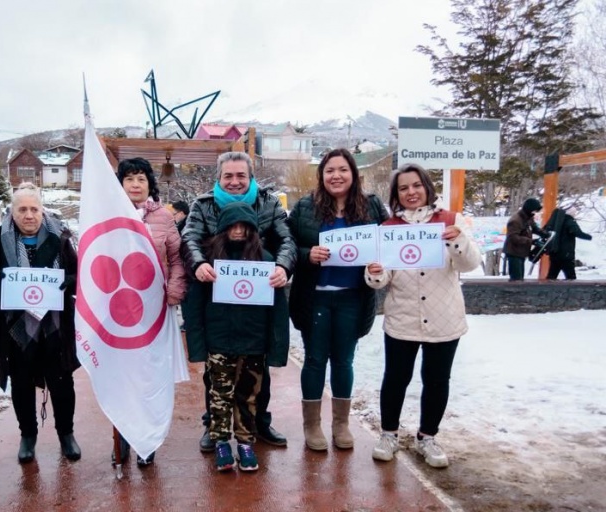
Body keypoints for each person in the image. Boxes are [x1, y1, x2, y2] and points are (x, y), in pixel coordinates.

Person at [365, 163, 481, 468]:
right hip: (402, 317)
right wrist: (375, 272)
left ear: (427, 187)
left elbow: (469, 264)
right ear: (396, 194)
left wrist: (457, 240)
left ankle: (427, 436)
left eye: (416, 185)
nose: (411, 192)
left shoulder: (451, 221)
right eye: (403, 188)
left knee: (437, 379)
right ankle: (388, 434)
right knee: (396, 378)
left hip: (444, 317)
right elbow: (382, 278)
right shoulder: (388, 228)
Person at [182, 151, 296, 450]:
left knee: (257, 371)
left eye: (241, 175)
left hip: (258, 294)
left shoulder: (269, 203)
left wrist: (283, 266)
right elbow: (189, 238)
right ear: (219, 178)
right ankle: (214, 424)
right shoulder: (203, 205)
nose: (234, 181)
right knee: (216, 371)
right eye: (228, 176)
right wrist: (198, 263)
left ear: (251, 177)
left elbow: (286, 239)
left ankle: (259, 423)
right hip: (217, 295)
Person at [287, 148, 388, 452]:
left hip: (352, 297)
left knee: (344, 361)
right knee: (315, 360)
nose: (336, 176)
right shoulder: (305, 207)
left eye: (343, 169)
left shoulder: (371, 206)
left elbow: (387, 242)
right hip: (315, 297)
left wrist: (378, 263)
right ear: (322, 175)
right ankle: (312, 424)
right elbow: (288, 246)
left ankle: (341, 424)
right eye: (330, 170)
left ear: (353, 173)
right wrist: (308, 254)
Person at [0, 183, 81, 464]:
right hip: (15, 327)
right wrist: (0, 283)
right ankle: (27, 435)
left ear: (43, 211)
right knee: (21, 383)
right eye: (22, 210)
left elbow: (78, 274)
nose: (29, 215)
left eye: (34, 209)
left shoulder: (61, 239)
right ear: (12, 212)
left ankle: (66, 433)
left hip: (56, 326)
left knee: (62, 382)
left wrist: (68, 281)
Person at [113, 158, 187, 466]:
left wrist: (174, 290)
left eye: (141, 178)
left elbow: (178, 258)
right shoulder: (109, 214)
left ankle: (147, 439)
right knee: (121, 375)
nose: (135, 184)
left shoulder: (163, 218)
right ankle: (122, 437)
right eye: (129, 178)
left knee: (149, 374)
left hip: (155, 309)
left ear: (149, 184)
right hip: (118, 310)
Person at [503, 197, 547, 281]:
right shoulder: (515, 221)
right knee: (516, 278)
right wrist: (531, 241)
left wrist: (544, 233)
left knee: (520, 278)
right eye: (534, 211)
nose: (535, 213)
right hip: (514, 252)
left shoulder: (528, 217)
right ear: (529, 209)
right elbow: (513, 237)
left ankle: (518, 287)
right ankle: (514, 288)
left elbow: (534, 228)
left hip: (521, 252)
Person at [543, 207, 592, 280]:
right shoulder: (569, 221)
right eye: (574, 213)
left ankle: (546, 287)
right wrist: (589, 237)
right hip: (566, 254)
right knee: (571, 277)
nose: (575, 214)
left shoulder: (555, 221)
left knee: (552, 276)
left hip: (555, 253)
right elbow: (577, 232)